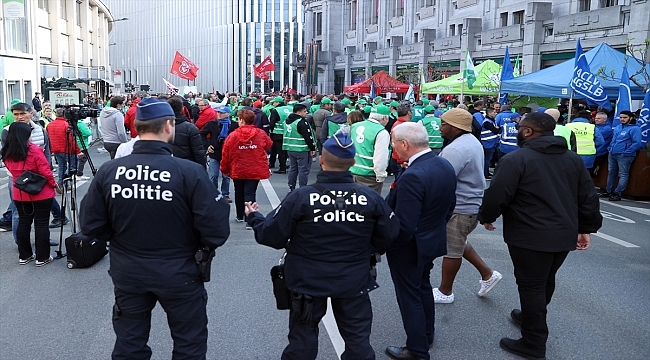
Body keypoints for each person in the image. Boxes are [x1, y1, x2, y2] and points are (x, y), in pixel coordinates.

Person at [79, 97, 231, 360]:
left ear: (136, 128)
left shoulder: (110, 170)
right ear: (169, 126)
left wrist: (121, 238)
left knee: (129, 342)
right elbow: (216, 230)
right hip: (180, 270)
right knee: (189, 343)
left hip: (128, 270)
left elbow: (90, 224)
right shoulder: (189, 172)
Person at [245, 130, 399, 360]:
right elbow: (390, 233)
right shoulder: (370, 197)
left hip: (307, 280)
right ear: (353, 163)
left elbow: (272, 236)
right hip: (353, 278)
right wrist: (366, 250)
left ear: (322, 161)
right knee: (357, 339)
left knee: (302, 340)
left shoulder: (301, 197)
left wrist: (254, 218)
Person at [478, 112, 602, 360]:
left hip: (530, 235)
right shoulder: (573, 159)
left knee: (532, 285)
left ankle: (533, 342)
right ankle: (530, 315)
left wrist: (487, 215)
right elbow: (587, 197)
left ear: (527, 132)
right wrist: (586, 227)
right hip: (561, 233)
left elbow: (498, 193)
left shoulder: (517, 160)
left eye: (519, 127)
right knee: (545, 280)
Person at [384, 122, 456, 360]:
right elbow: (450, 205)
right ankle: (426, 334)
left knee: (409, 297)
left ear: (404, 144)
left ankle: (416, 349)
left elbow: (404, 224)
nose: (393, 147)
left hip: (410, 246)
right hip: (431, 238)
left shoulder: (414, 175)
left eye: (394, 143)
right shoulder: (443, 164)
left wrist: (387, 244)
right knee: (422, 287)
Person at [431, 108, 502, 305]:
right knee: (458, 241)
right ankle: (487, 274)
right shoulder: (470, 141)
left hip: (460, 205)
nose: (440, 127)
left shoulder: (456, 149)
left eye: (444, 123)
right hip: (469, 203)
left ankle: (446, 291)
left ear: (455, 127)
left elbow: (441, 178)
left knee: (452, 250)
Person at [2, 122, 57, 266]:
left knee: (24, 223)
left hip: (20, 192)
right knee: (41, 224)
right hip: (41, 192)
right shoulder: (34, 150)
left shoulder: (6, 152)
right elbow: (45, 171)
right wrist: (54, 184)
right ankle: (42, 257)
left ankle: (25, 255)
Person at [220, 109, 272, 226]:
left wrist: (224, 169)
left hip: (238, 168)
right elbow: (268, 144)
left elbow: (225, 154)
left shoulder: (232, 136)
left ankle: (240, 215)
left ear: (242, 120)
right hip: (254, 167)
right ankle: (250, 218)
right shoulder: (260, 133)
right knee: (250, 193)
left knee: (238, 192)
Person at [602, 110, 644, 201]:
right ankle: (609, 191)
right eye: (621, 117)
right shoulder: (618, 127)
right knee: (611, 173)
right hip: (613, 153)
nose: (622, 119)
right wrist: (610, 148)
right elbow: (614, 139)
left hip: (624, 155)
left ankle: (618, 193)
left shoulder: (635, 128)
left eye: (624, 117)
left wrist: (626, 152)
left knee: (623, 174)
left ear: (631, 118)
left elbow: (637, 143)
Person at [349, 106, 391, 194]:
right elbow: (381, 157)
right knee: (369, 203)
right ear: (384, 117)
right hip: (369, 175)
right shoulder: (381, 132)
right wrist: (380, 175)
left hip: (352, 170)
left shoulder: (354, 126)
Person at [200, 105, 237, 202]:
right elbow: (202, 134)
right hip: (214, 152)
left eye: (221, 113)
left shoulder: (233, 125)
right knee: (213, 175)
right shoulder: (212, 124)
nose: (218, 114)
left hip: (227, 154)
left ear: (228, 114)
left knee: (226, 176)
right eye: (218, 112)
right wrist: (207, 145)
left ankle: (225, 194)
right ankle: (213, 194)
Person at [283, 103, 316, 191]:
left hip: (290, 148)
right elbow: (308, 136)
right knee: (303, 170)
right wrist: (312, 148)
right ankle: (303, 188)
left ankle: (291, 186)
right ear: (298, 112)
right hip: (302, 148)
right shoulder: (302, 122)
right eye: (304, 111)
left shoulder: (287, 121)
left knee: (293, 169)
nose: (306, 113)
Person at [46, 107, 83, 186]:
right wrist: (78, 151)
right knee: (73, 167)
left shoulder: (50, 125)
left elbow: (48, 138)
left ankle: (62, 183)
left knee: (61, 166)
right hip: (67, 149)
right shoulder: (66, 125)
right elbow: (71, 140)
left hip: (56, 149)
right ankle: (62, 181)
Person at [167, 96, 206, 168]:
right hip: (187, 166)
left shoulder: (160, 127)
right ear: (182, 109)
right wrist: (202, 169)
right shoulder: (190, 128)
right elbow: (198, 151)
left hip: (167, 166)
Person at [269, 97, 291, 173]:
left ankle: (282, 167)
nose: (273, 104)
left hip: (278, 133)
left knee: (280, 151)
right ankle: (277, 164)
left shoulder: (275, 110)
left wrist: (271, 131)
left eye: (274, 102)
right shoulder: (290, 108)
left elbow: (272, 122)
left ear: (278, 103)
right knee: (283, 150)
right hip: (288, 132)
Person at [479, 106, 500, 179]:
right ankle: (485, 173)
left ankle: (486, 172)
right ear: (489, 113)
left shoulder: (491, 121)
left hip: (491, 143)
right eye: (494, 112)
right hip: (488, 143)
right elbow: (495, 130)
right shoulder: (487, 122)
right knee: (487, 159)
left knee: (488, 159)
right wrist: (498, 129)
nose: (495, 113)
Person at [591, 111, 613, 177]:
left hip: (600, 152)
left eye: (599, 118)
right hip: (593, 151)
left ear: (604, 119)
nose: (596, 120)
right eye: (596, 118)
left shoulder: (607, 129)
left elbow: (593, 137)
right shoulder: (594, 126)